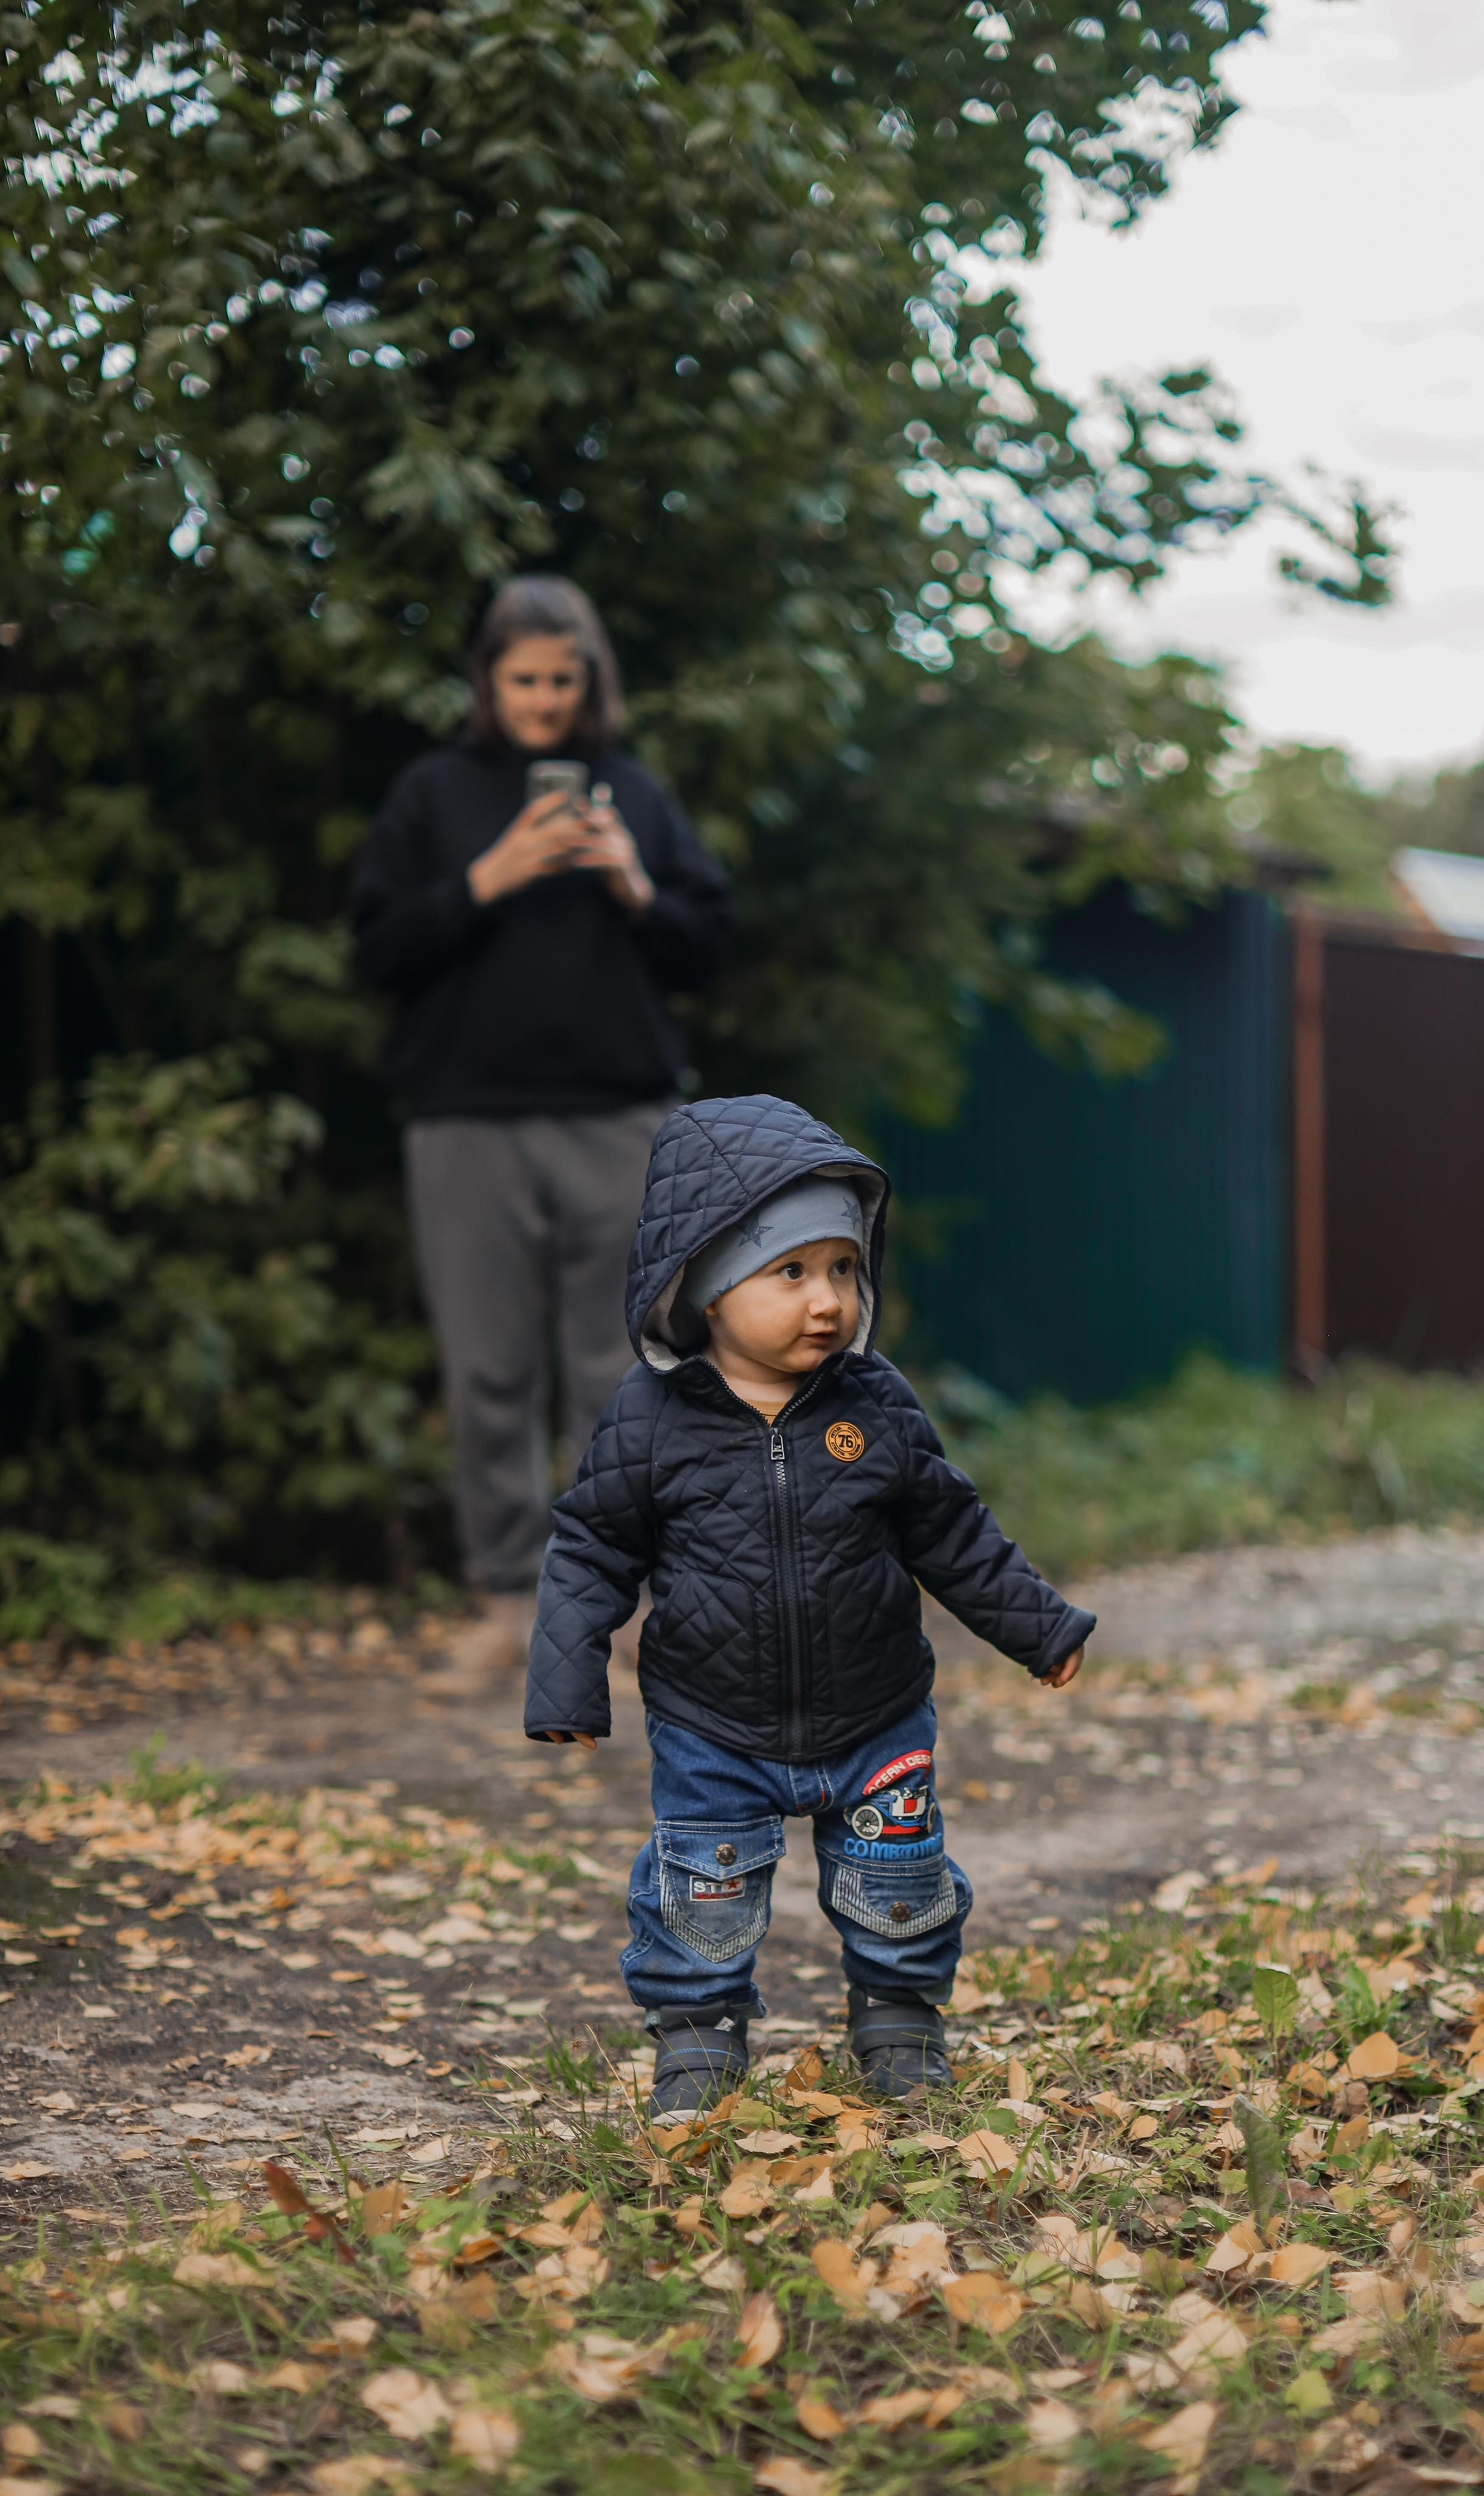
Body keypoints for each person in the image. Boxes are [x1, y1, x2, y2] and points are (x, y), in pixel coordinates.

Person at [523, 1092, 1095, 2113]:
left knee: (902, 1882)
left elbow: (951, 1531)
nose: (826, 1299)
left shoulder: (875, 1404)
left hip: (875, 1711)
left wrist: (1039, 1627)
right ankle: (698, 2038)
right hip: (711, 1721)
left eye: (841, 1267)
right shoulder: (650, 1420)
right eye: (789, 1272)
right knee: (704, 1887)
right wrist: (567, 1677)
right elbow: (592, 1545)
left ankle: (899, 2022)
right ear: (703, 1284)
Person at [351, 578, 732, 1680]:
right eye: (523, 680)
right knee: (488, 1371)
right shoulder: (432, 795)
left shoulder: (636, 797)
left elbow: (705, 948)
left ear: (591, 679)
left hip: (620, 1118)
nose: (544, 701)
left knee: (624, 1370)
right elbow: (376, 948)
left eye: (563, 680)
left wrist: (633, 884)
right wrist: (487, 877)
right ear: (488, 681)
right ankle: (506, 1602)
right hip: (465, 1122)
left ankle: (608, 1613)